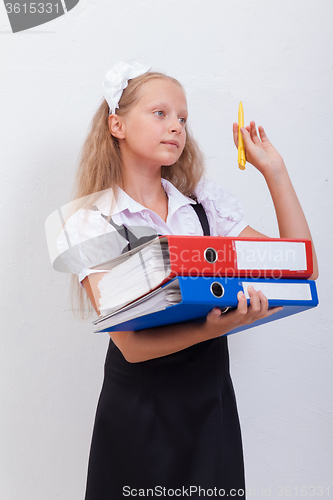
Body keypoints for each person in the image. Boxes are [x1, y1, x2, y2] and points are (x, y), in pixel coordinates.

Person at [57, 62, 318, 499]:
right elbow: (132, 346)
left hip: (209, 404)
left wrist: (274, 170)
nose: (176, 127)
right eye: (160, 114)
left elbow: (300, 267)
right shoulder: (90, 223)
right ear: (116, 124)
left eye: (182, 118)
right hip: (138, 411)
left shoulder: (203, 207)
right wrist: (213, 327)